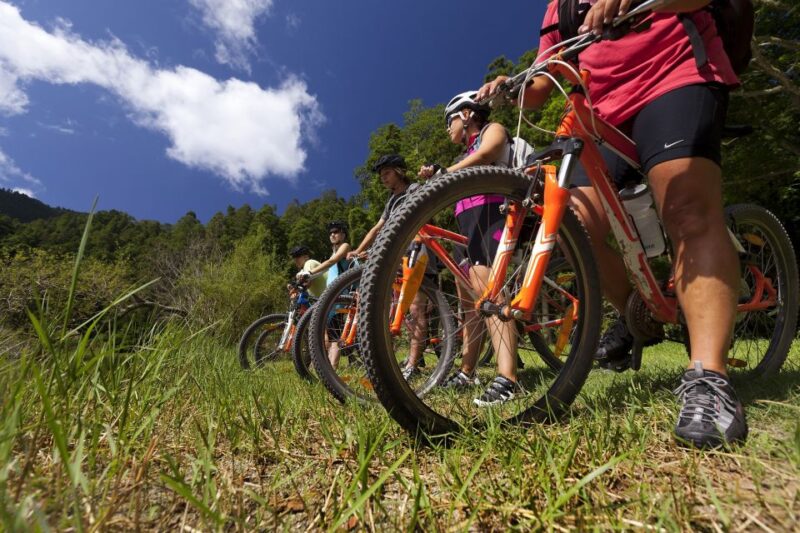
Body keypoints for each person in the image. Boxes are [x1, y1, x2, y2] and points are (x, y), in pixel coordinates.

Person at [478, 0, 746, 447]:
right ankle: (636, 313)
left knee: (685, 208)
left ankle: (709, 379)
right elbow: (544, 81)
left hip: (673, 72)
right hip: (599, 113)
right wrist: (512, 87)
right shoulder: (557, 9)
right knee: (577, 224)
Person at [418, 91, 521, 407]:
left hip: (493, 211)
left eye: (449, 121)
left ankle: (509, 378)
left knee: (489, 291)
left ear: (466, 114)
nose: (448, 129)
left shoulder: (490, 130)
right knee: (469, 304)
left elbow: (489, 153)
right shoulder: (464, 152)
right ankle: (467, 371)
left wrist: (446, 173)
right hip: (468, 223)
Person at [348, 154, 429, 381]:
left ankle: (413, 365)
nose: (383, 178)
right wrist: (359, 249)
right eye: (381, 175)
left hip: (416, 247)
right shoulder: (391, 201)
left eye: (387, 173)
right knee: (393, 311)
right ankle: (387, 365)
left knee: (414, 309)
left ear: (400, 171)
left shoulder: (414, 189)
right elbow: (377, 228)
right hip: (394, 256)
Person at [298, 221, 352, 367]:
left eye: (336, 231)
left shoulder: (344, 247)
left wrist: (309, 272)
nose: (332, 234)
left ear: (343, 234)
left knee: (334, 335)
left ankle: (332, 368)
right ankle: (324, 366)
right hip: (332, 295)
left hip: (341, 296)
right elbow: (326, 267)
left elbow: (332, 261)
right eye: (330, 233)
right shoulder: (333, 251)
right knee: (327, 331)